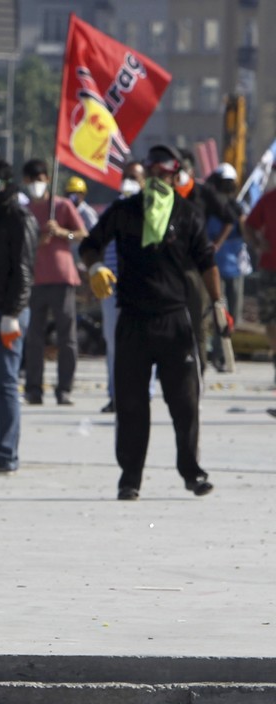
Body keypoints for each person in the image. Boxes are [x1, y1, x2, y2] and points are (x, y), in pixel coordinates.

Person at [80, 144, 222, 501]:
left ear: (176, 176)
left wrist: (219, 304)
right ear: (144, 175)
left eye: (164, 174)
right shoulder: (125, 211)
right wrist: (95, 267)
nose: (158, 180)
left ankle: (192, 472)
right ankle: (130, 478)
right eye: (152, 173)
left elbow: (206, 260)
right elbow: (90, 244)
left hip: (175, 319)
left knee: (185, 402)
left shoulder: (188, 214)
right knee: (130, 403)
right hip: (133, 320)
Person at [0, 158, 39, 474]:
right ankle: (3, 449)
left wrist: (13, 313)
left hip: (7, 311)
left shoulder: (18, 217)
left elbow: (24, 272)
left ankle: (6, 453)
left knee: (5, 384)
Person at [20, 158, 88, 406]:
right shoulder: (25, 210)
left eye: (40, 179)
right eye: (31, 180)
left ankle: (64, 388)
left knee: (66, 337)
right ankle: (34, 388)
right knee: (34, 337)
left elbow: (82, 234)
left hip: (62, 278)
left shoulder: (61, 207)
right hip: (35, 280)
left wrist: (61, 232)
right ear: (25, 182)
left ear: (48, 179)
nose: (36, 184)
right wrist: (38, 240)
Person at [176, 149, 238, 375]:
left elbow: (229, 218)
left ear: (191, 170)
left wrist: (216, 244)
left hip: (197, 265)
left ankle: (198, 370)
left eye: (183, 168)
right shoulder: (165, 193)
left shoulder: (203, 193)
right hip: (169, 265)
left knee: (198, 321)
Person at [99, 160, 146, 413]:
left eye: (135, 178)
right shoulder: (112, 210)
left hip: (141, 288)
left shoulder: (151, 211)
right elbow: (96, 243)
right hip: (112, 288)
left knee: (142, 344)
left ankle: (142, 394)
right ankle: (115, 395)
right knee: (113, 343)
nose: (129, 181)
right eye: (126, 177)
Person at [206, 163, 248, 371]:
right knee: (219, 313)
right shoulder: (208, 208)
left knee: (234, 316)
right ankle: (219, 354)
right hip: (215, 269)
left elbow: (246, 231)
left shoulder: (238, 208)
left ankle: (225, 351)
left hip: (235, 267)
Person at [243, 181, 276, 387]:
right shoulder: (269, 200)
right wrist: (256, 243)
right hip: (269, 269)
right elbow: (248, 224)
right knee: (270, 320)